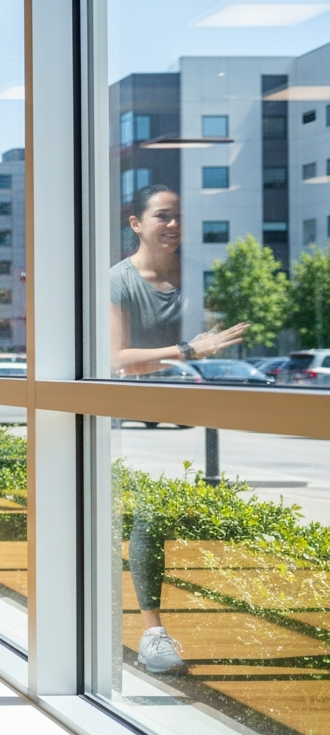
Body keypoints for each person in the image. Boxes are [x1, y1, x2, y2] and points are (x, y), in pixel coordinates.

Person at [110, 184, 247, 674]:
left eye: (179, 217)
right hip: (128, 422)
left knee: (169, 519)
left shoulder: (193, 281)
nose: (173, 225)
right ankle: (152, 631)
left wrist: (195, 351)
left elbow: (204, 345)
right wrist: (187, 350)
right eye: (162, 216)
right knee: (143, 519)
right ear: (136, 224)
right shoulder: (118, 281)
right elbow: (116, 358)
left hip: (185, 420)